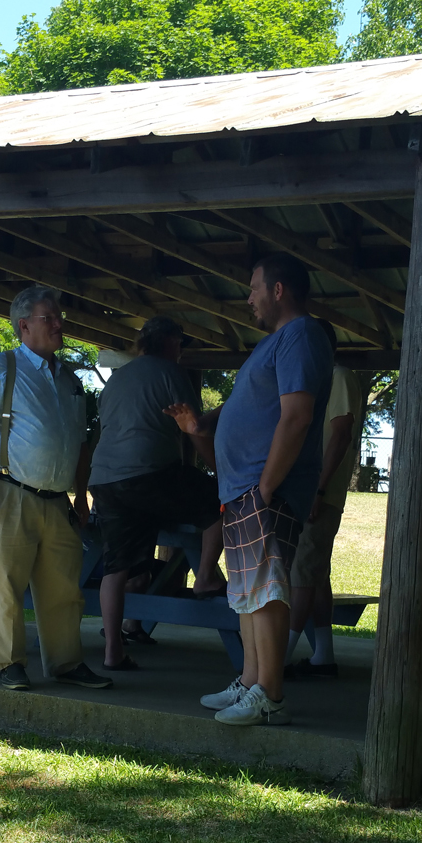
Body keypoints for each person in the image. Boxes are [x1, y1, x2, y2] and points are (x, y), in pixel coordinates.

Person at [167, 252, 333, 725]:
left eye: (254, 287)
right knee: (245, 593)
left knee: (266, 590)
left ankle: (270, 695)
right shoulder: (274, 342)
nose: (249, 298)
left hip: (266, 489)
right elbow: (246, 405)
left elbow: (297, 415)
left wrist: (265, 486)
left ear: (278, 289)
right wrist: (199, 424)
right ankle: (250, 680)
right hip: (243, 490)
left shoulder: (302, 335)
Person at [0, 284, 111, 692]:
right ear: (24, 326)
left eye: (60, 317)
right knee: (6, 583)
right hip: (9, 492)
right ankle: (7, 662)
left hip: (58, 501)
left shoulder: (68, 378)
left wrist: (81, 496)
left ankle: (65, 662)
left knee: (64, 587)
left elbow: (79, 444)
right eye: (50, 318)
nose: (60, 324)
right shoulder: (0, 367)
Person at [89, 316, 225, 670]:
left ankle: (112, 651)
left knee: (116, 568)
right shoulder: (171, 373)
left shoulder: (117, 380)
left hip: (104, 479)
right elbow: (194, 429)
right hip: (150, 474)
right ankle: (206, 576)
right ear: (169, 342)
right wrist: (220, 474)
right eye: (180, 343)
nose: (181, 351)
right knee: (222, 503)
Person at [286, 335, 366, 679]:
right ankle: (324, 656)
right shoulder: (313, 381)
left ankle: (278, 658)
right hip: (307, 492)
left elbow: (341, 433)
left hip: (319, 495)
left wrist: (318, 490)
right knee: (316, 574)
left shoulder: (339, 377)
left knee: (301, 573)